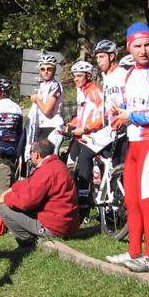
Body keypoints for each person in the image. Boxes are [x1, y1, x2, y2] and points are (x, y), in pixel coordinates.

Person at [107, 22, 149, 273]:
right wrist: (118, 114)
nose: (143, 50)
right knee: (132, 200)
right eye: (138, 46)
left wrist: (130, 116)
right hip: (134, 141)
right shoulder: (130, 74)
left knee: (147, 199)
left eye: (147, 45)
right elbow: (128, 106)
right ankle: (134, 251)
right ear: (129, 47)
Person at [0, 138, 80, 249]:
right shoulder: (57, 165)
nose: (30, 154)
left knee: (3, 208)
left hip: (56, 226)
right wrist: (13, 188)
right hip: (69, 223)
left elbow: (27, 202)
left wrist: (6, 198)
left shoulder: (46, 171)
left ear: (37, 155)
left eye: (31, 152)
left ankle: (28, 242)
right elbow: (30, 183)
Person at [64, 61, 104, 213]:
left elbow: (102, 117)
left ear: (88, 76)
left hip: (92, 137)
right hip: (80, 136)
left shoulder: (95, 92)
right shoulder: (82, 92)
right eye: (74, 76)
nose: (76, 79)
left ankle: (84, 204)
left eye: (79, 76)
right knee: (68, 164)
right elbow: (82, 115)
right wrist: (71, 124)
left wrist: (85, 128)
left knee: (83, 165)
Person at [25, 51, 65, 159]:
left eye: (49, 69)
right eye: (43, 69)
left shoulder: (55, 85)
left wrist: (37, 99)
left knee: (50, 159)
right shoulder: (42, 85)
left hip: (53, 126)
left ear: (54, 70)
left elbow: (47, 110)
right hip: (41, 127)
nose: (46, 72)